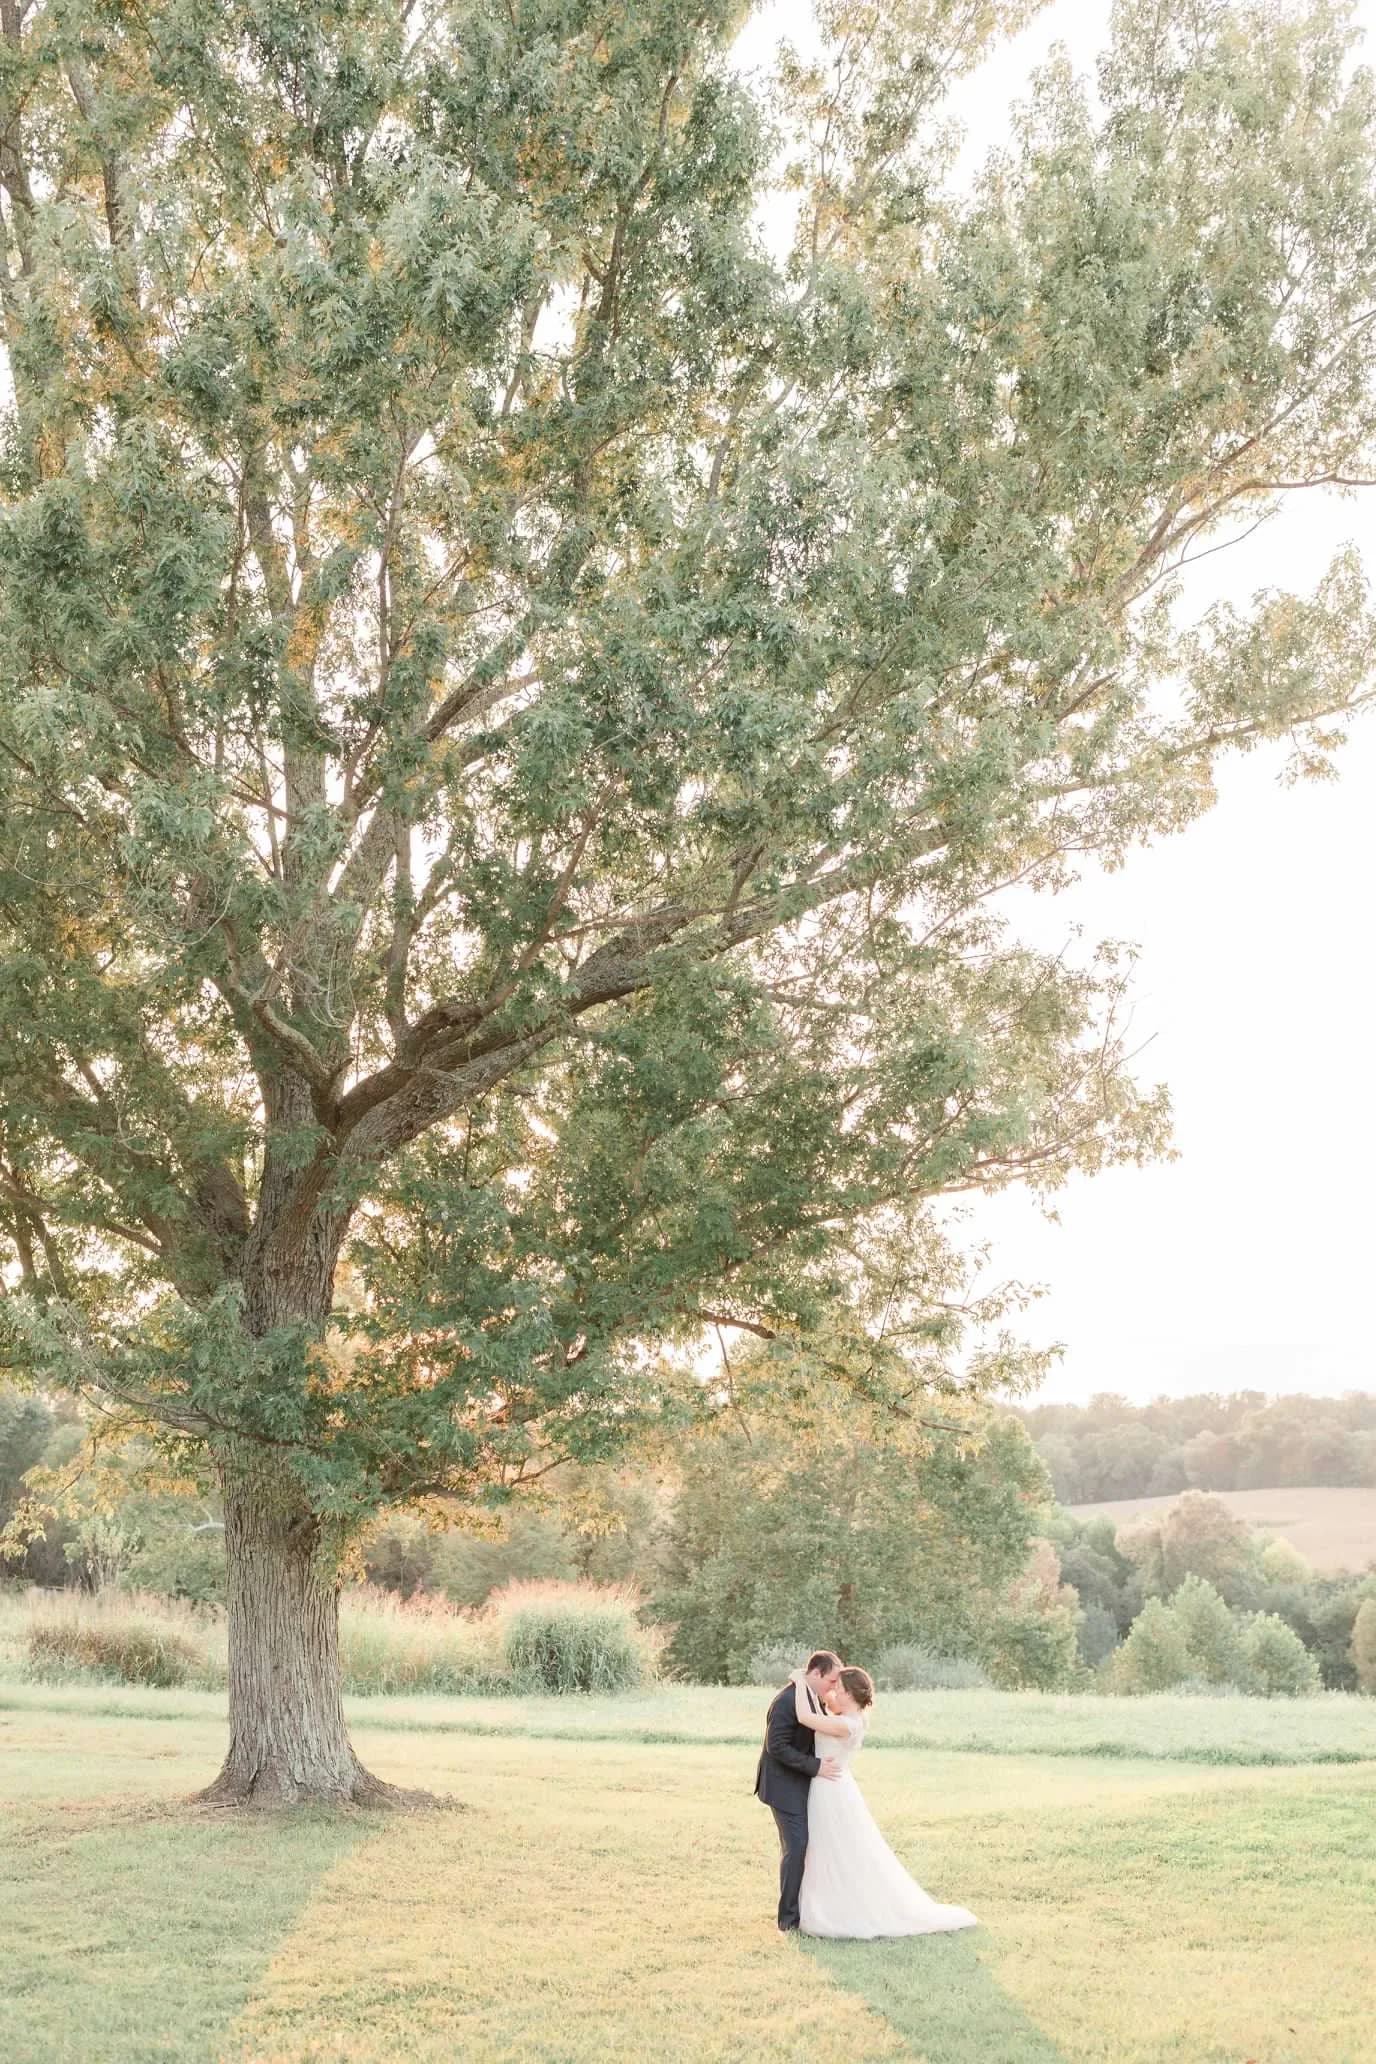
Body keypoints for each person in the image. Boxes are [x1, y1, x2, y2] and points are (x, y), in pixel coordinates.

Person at [788, 1664, 978, 1940]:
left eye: (839, 1689)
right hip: (832, 1786)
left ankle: (836, 1910)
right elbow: (826, 1701)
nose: (834, 1694)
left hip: (831, 1790)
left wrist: (800, 1681)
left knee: (833, 1848)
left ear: (851, 1694)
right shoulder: (851, 1716)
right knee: (827, 1848)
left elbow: (805, 1717)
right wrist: (824, 1683)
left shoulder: (845, 1724)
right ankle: (824, 1903)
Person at [754, 1650, 844, 1931]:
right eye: (831, 1681)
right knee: (797, 1847)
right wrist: (815, 1766)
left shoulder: (812, 1696)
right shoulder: (786, 1701)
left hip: (803, 1785)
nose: (833, 1688)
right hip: (783, 1786)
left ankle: (808, 1909)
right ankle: (788, 1920)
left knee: (807, 1846)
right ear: (815, 1673)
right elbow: (776, 1746)